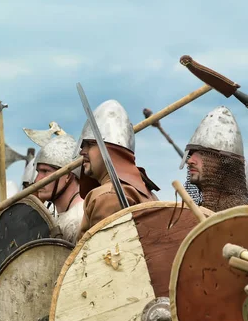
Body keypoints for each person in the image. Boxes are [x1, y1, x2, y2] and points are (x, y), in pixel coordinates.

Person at [77, 100, 159, 240]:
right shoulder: (143, 192)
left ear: (109, 148)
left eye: (90, 144)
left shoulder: (107, 196)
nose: (82, 152)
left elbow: (101, 258)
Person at [181, 106, 248, 212]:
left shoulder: (241, 213)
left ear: (223, 163)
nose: (190, 161)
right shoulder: (199, 211)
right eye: (191, 155)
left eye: (202, 154)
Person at [34, 133, 84, 243]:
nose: (37, 180)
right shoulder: (58, 216)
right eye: (38, 172)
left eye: (45, 171)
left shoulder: (79, 218)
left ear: (67, 175)